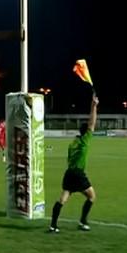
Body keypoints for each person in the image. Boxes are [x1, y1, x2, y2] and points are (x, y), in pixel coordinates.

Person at [48, 95, 99, 233]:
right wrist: (94, 105)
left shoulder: (73, 143)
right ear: (86, 132)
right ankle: (83, 222)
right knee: (92, 196)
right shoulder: (84, 141)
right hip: (78, 173)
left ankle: (53, 225)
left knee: (63, 198)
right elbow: (92, 123)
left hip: (69, 172)